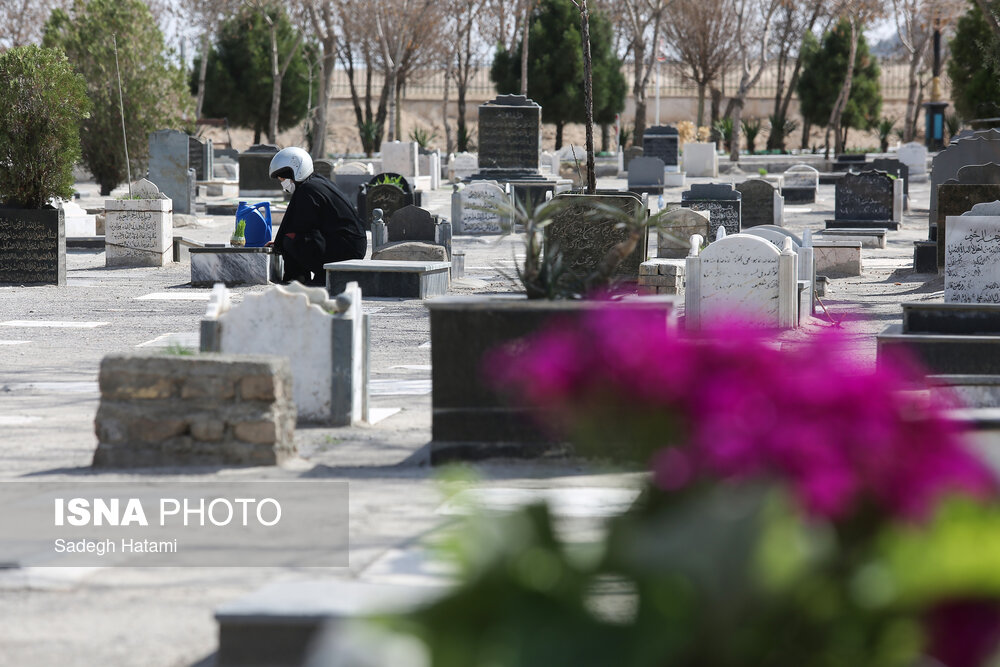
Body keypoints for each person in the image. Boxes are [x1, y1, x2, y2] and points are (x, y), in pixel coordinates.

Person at [266, 147, 367, 286]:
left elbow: (301, 226)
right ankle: (303, 277)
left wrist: (281, 243)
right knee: (290, 238)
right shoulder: (316, 183)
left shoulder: (308, 190)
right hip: (351, 245)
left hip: (346, 251)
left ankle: (315, 277)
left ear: (295, 172)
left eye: (283, 178)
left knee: (291, 239)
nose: (283, 183)